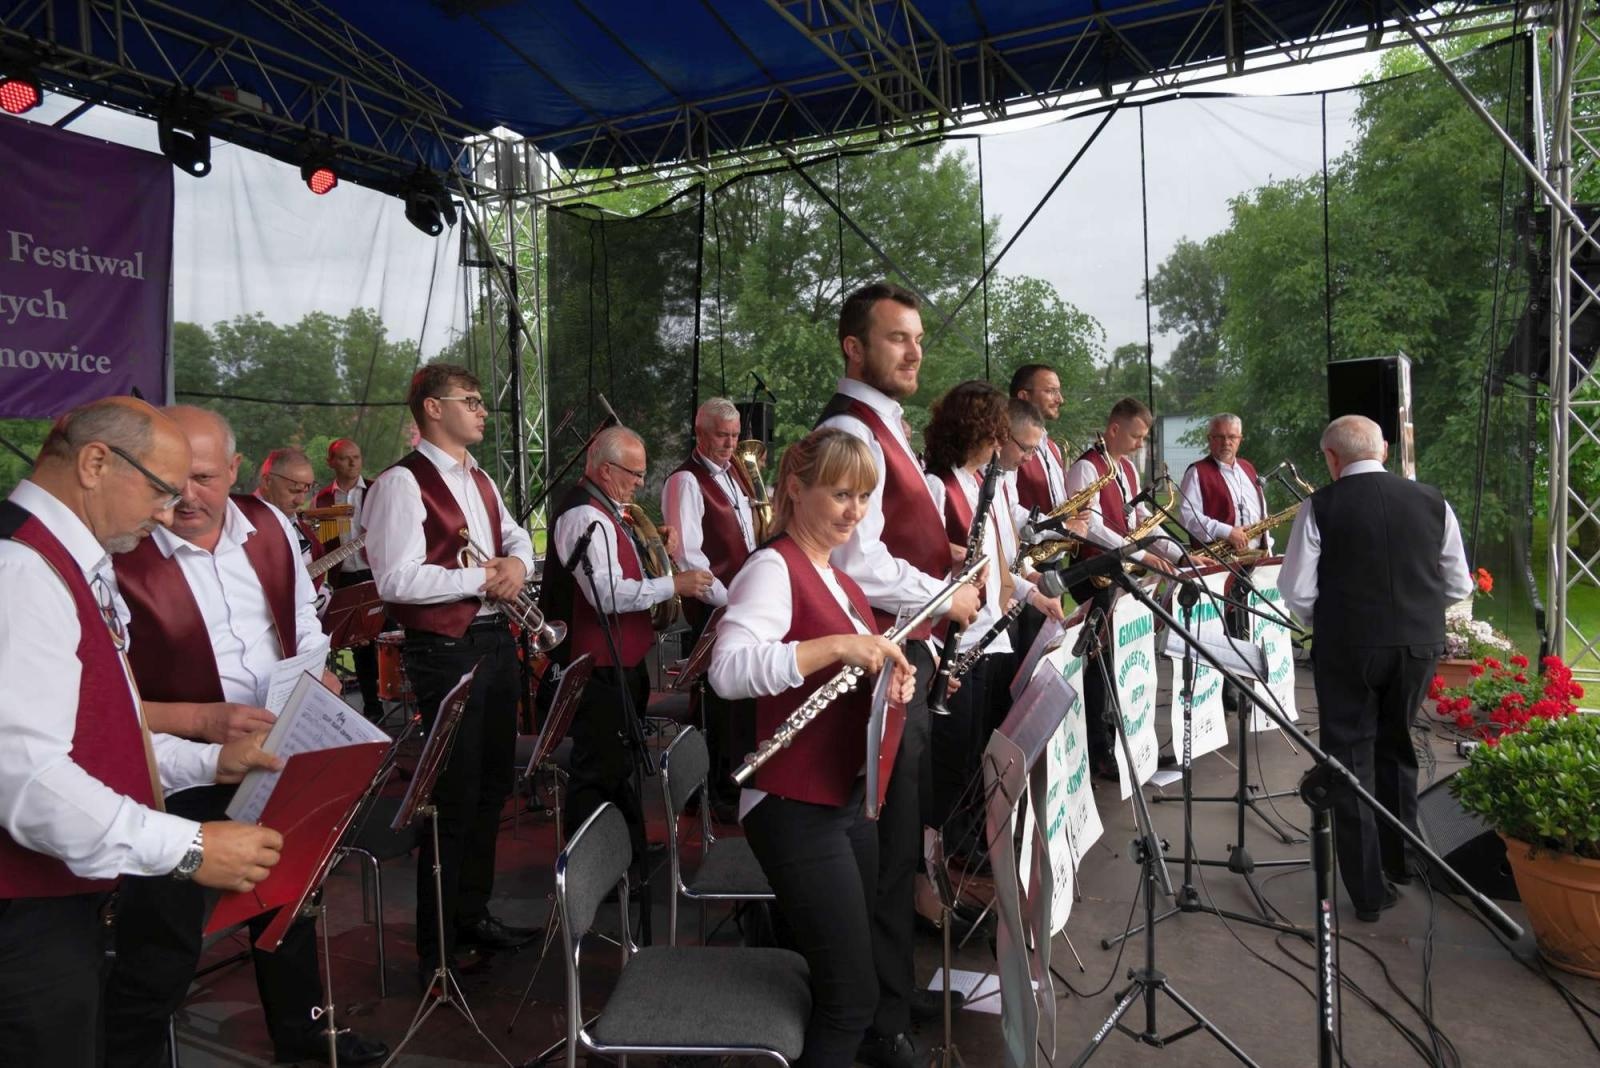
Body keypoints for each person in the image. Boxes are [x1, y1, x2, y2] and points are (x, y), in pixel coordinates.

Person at [0, 397, 283, 1068]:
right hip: (23, 917)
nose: (166, 512)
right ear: (97, 461)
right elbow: (28, 780)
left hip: (58, 900)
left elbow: (98, 731)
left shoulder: (67, 560)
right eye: (160, 490)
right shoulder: (20, 570)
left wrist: (210, 762)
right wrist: (188, 847)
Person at [103, 406, 387, 1067]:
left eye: (201, 476)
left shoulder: (269, 526)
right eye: (167, 477)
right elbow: (100, 702)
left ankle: (304, 1037)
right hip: (175, 779)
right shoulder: (120, 551)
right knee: (162, 947)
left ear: (235, 470)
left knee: (288, 908)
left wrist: (314, 680)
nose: (182, 496)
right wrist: (202, 731)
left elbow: (302, 623)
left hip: (278, 755)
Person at [709, 427, 918, 1068]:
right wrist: (837, 648)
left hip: (841, 798)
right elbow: (729, 669)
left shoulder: (835, 574)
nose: (854, 511)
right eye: (839, 494)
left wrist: (891, 676)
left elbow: (856, 669)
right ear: (796, 490)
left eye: (863, 496)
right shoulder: (774, 567)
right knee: (849, 998)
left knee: (850, 984)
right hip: (793, 806)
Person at [816, 281, 982, 1068]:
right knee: (881, 850)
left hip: (900, 655)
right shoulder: (854, 428)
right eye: (896, 339)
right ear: (855, 347)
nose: (915, 352)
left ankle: (892, 994)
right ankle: (881, 1023)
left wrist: (943, 558)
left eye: (917, 338)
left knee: (896, 842)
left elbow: (890, 541)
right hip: (877, 664)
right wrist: (946, 594)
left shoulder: (884, 425)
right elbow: (854, 559)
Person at [364, 362, 540, 983]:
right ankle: (437, 942)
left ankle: (474, 913)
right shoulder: (399, 484)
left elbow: (519, 540)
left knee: (494, 787)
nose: (483, 410)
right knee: (454, 795)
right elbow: (396, 579)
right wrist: (483, 578)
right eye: (470, 400)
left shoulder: (481, 478)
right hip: (444, 651)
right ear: (432, 409)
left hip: (494, 643)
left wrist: (517, 565)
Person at [1279, 415, 1473, 922]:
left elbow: (1297, 589)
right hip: (1418, 645)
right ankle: (1403, 859)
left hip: (1350, 649)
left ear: (1331, 458)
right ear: (1383, 450)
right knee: (1399, 746)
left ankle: (1368, 890)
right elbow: (1458, 584)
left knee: (1348, 758)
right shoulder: (1433, 500)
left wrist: (1331, 620)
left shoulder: (1319, 505)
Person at [539, 425, 712, 870]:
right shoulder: (584, 515)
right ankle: (591, 868)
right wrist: (673, 582)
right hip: (594, 665)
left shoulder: (606, 509)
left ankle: (629, 851)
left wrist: (654, 539)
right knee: (596, 770)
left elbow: (621, 561)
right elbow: (608, 594)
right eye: (634, 473)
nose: (639, 482)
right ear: (605, 468)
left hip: (620, 659)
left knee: (617, 764)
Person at [1064, 396, 1180, 779]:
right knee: (1100, 667)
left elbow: (1142, 520)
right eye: (1135, 435)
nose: (1139, 444)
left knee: (1125, 661)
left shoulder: (1127, 470)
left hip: (1123, 576)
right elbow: (1091, 525)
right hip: (1094, 576)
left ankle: (1124, 741)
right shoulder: (1086, 467)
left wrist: (1179, 553)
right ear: (1114, 429)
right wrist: (1142, 555)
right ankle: (1099, 749)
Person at [662, 398, 758, 802]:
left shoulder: (734, 473)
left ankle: (734, 782)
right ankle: (715, 794)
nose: (731, 444)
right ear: (700, 433)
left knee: (741, 703)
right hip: (717, 608)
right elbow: (688, 557)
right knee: (718, 705)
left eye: (735, 436)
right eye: (722, 435)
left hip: (741, 603)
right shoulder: (685, 480)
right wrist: (730, 602)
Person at [315, 438, 381, 718]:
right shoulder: (323, 499)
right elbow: (322, 542)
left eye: (357, 456)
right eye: (345, 458)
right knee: (359, 644)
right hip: (344, 577)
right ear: (331, 462)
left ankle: (403, 697)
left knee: (390, 636)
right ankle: (373, 708)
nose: (353, 463)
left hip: (378, 573)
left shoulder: (375, 490)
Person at [1178, 413, 1269, 555]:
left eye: (1232, 437)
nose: (1226, 442)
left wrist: (1268, 550)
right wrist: (1228, 532)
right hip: (1218, 561)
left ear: (1240, 439)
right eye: (1219, 437)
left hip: (1256, 557)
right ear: (1209, 439)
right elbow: (1188, 518)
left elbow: (1261, 514)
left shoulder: (1248, 468)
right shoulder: (1196, 472)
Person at [1009, 363, 1070, 513]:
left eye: (1059, 392)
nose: (1060, 400)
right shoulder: (1007, 445)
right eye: (1051, 391)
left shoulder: (1053, 448)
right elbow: (1009, 509)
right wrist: (1060, 527)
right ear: (1024, 396)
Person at [256, 446, 325, 572]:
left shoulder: (299, 526)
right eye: (294, 490)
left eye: (306, 491)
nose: (301, 501)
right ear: (267, 482)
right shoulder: (239, 521)